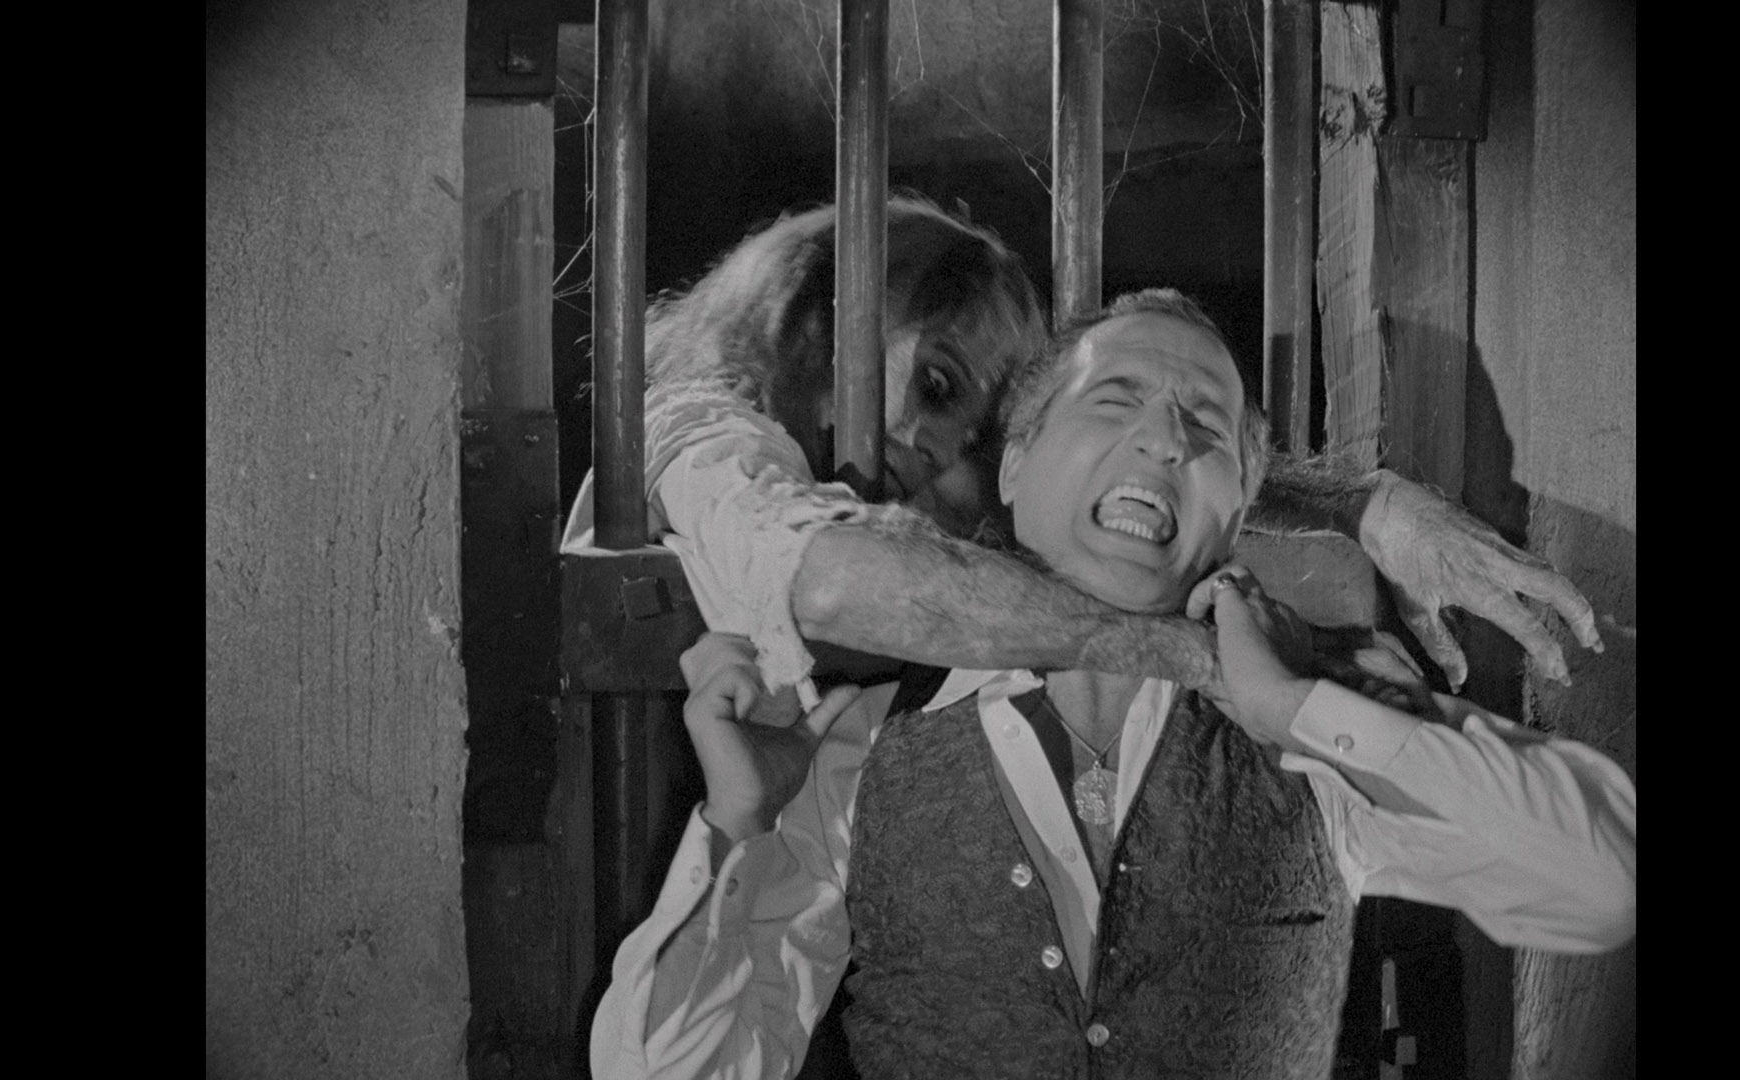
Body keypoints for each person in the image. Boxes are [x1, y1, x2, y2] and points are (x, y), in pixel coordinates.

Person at [587, 290, 1636, 1079]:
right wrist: (737, 825)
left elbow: (1603, 882)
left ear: (1239, 511)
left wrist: (1295, 709)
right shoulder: (857, 750)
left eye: (1206, 425)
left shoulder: (1324, 726)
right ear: (1013, 466)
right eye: (1116, 398)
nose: (1164, 438)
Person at [561, 196, 1601, 704]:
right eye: (936, 384)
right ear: (831, 314)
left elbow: (1088, 461)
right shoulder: (695, 427)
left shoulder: (875, 466)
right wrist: (1210, 662)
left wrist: (1364, 504)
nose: (936, 451)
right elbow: (829, 581)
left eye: (974, 433)